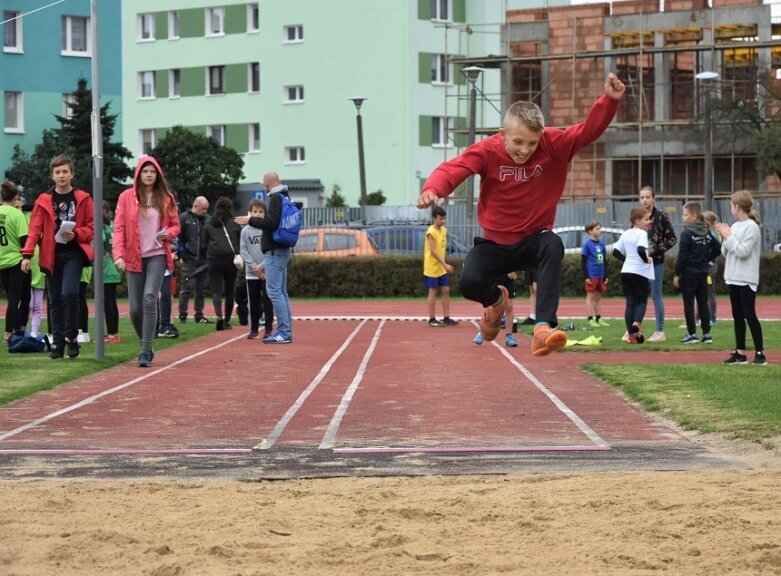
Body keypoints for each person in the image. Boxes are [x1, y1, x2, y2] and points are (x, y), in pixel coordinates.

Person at [417, 73, 626, 356]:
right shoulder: (487, 150)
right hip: (495, 244)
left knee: (553, 244)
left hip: (532, 240)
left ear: (542, 135)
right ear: (502, 135)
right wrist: (433, 188)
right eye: (517, 142)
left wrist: (610, 101)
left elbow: (587, 131)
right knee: (468, 283)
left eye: (532, 143)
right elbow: (453, 168)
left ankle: (543, 328)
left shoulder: (553, 144)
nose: (525, 150)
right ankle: (495, 302)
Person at [22, 155, 94, 359]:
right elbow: (34, 230)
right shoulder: (43, 200)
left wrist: (78, 234)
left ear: (72, 173)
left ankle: (72, 338)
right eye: (58, 172)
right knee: (54, 300)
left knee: (69, 293)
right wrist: (27, 255)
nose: (61, 175)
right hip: (51, 254)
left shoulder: (83, 198)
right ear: (52, 176)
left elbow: (92, 227)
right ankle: (58, 343)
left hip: (73, 253)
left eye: (65, 171)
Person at [113, 155, 180, 368]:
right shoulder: (125, 197)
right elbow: (119, 228)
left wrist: (167, 233)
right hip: (133, 256)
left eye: (152, 171)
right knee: (134, 309)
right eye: (145, 171)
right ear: (138, 174)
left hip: (157, 255)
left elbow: (176, 226)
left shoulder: (166, 198)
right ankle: (146, 343)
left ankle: (145, 349)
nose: (149, 175)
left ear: (157, 174)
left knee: (150, 298)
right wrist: (118, 254)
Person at [235, 171, 294, 344]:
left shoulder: (276, 197)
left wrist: (250, 220)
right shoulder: (286, 197)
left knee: (274, 292)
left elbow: (271, 223)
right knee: (281, 292)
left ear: (268, 185)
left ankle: (284, 331)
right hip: (283, 248)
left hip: (275, 250)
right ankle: (286, 329)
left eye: (266, 185)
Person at [715, 190, 767, 365]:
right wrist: (724, 237)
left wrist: (729, 237)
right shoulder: (735, 226)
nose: (731, 208)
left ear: (737, 206)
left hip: (746, 277)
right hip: (733, 276)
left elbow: (743, 252)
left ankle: (760, 353)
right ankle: (740, 353)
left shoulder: (752, 227)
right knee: (737, 314)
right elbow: (725, 252)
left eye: (731, 205)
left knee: (749, 314)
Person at [673, 202, 721, 345]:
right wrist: (706, 259)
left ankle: (692, 333)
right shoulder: (706, 232)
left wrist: (677, 274)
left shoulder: (687, 233)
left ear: (694, 216)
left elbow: (682, 256)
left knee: (688, 303)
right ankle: (706, 334)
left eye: (685, 214)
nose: (682, 217)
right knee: (703, 303)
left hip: (689, 273)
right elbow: (718, 248)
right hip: (703, 272)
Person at [638, 185, 677, 343]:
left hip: (656, 262)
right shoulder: (638, 216)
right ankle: (633, 330)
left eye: (647, 197)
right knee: (638, 296)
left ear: (653, 198)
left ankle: (660, 331)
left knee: (655, 296)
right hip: (639, 263)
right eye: (642, 197)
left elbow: (672, 239)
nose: (645, 200)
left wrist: (655, 252)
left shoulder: (661, 216)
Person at [612, 207, 654, 344]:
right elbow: (641, 249)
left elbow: (615, 252)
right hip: (639, 272)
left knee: (630, 303)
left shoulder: (625, 234)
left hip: (626, 271)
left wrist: (627, 261)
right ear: (637, 221)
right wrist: (646, 259)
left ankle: (631, 336)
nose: (648, 222)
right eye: (646, 219)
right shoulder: (641, 233)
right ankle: (637, 322)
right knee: (642, 300)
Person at [201, 196, 242, 331]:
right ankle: (227, 320)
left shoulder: (208, 224)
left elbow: (203, 244)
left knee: (216, 291)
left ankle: (219, 317)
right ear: (230, 208)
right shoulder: (235, 225)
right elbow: (240, 244)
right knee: (230, 291)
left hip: (214, 260)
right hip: (231, 261)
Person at [0, 179, 31, 344]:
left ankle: (20, 330)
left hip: (2, 262)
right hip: (17, 262)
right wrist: (27, 258)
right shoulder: (17, 214)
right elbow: (24, 239)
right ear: (15, 197)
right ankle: (8, 334)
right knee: (17, 299)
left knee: (23, 296)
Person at [240, 199, 274, 339]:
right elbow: (243, 250)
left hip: (266, 273)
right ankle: (253, 329)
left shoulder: (267, 230)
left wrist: (262, 267)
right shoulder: (245, 231)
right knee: (253, 303)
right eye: (255, 211)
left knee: (267, 300)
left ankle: (268, 329)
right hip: (251, 274)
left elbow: (270, 250)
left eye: (261, 212)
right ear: (250, 213)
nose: (258, 214)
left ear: (265, 214)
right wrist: (254, 268)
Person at [177, 196, 211, 324]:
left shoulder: (208, 220)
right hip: (189, 258)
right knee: (186, 287)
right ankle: (182, 315)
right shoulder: (184, 218)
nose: (205, 212)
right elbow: (177, 237)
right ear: (195, 206)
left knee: (201, 288)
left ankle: (199, 315)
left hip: (204, 259)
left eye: (207, 209)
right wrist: (182, 253)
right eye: (203, 209)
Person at [424, 205, 458, 327]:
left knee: (446, 290)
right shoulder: (430, 232)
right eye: (440, 219)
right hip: (432, 266)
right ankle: (432, 319)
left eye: (444, 219)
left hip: (441, 266)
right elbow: (433, 251)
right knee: (433, 290)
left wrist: (444, 265)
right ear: (434, 218)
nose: (442, 221)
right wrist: (445, 264)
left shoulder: (444, 230)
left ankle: (446, 318)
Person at [474, 272, 518, 347]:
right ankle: (482, 333)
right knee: (490, 304)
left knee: (509, 305)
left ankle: (508, 335)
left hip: (507, 278)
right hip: (494, 274)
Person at [582, 220, 609, 328]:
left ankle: (599, 318)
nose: (599, 231)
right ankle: (590, 319)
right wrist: (586, 276)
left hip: (600, 275)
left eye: (600, 228)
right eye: (597, 229)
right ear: (590, 231)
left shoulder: (601, 244)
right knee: (590, 297)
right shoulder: (587, 244)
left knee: (598, 297)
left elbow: (604, 260)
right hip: (592, 275)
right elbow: (583, 261)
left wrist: (605, 275)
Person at [101, 201, 122, 344]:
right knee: (111, 302)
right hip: (112, 268)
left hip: (107, 269)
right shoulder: (111, 227)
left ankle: (112, 334)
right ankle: (113, 333)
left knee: (108, 302)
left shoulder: (103, 229)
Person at [702, 210, 720, 327]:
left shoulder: (712, 235)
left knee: (710, 293)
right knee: (701, 293)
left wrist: (709, 261)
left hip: (709, 269)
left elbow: (715, 251)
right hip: (704, 267)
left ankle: (712, 318)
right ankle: (698, 317)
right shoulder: (706, 234)